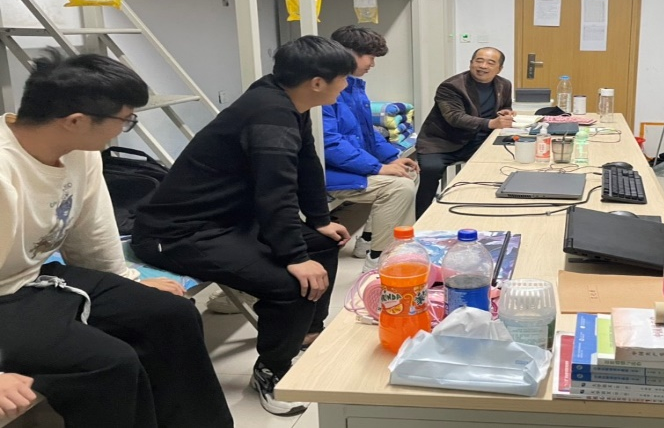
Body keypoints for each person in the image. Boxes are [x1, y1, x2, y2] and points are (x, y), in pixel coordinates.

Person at [0, 50, 232, 427]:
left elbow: (92, 236)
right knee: (110, 363)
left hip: (35, 279)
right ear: (75, 121)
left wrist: (126, 282)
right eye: (125, 120)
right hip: (5, 299)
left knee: (171, 315)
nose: (125, 129)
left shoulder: (80, 152)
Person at [132, 36, 353, 417]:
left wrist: (319, 220)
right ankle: (272, 372)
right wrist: (294, 257)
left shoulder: (285, 98)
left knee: (323, 243)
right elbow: (275, 192)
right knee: (291, 284)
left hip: (230, 221)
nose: (346, 85)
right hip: (178, 233)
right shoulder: (270, 114)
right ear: (317, 82)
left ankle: (306, 334)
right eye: (343, 78)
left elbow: (306, 163)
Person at [324, 25, 418, 272]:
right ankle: (378, 261)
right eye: (370, 57)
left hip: (347, 166)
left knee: (407, 172)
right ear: (347, 53)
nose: (373, 64)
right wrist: (378, 168)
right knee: (399, 187)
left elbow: (368, 133)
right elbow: (330, 144)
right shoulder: (325, 91)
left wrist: (392, 157)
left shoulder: (353, 88)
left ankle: (368, 240)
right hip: (326, 171)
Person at [414, 47, 514, 217]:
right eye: (479, 61)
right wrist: (491, 123)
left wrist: (506, 112)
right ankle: (421, 218)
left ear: (499, 68)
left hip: (477, 140)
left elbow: (505, 105)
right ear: (471, 63)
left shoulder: (504, 84)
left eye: (490, 63)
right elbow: (455, 117)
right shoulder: (451, 86)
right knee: (430, 171)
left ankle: (482, 209)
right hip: (441, 142)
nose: (483, 66)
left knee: (499, 163)